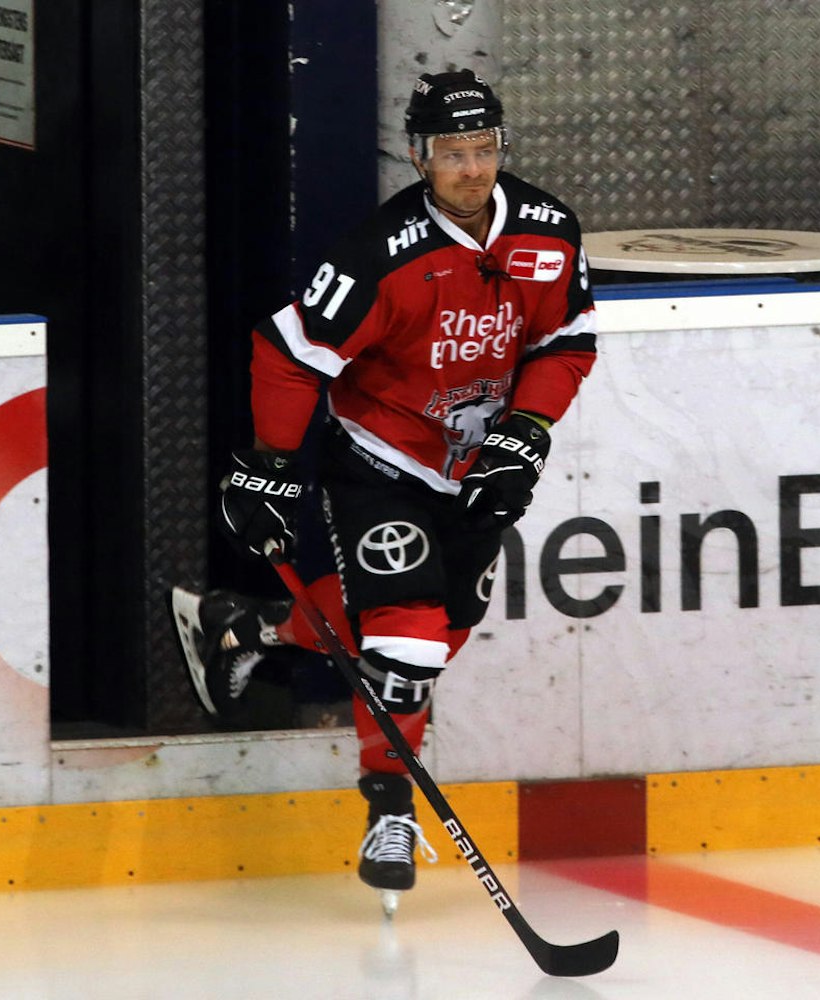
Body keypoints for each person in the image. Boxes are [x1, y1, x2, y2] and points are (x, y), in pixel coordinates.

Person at [172, 69, 597, 902]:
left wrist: (526, 433)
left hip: (477, 467)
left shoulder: (550, 233)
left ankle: (252, 625)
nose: (471, 169)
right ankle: (388, 810)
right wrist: (267, 464)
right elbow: (289, 352)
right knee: (404, 646)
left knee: (443, 632)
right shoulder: (380, 254)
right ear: (416, 157)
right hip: (380, 460)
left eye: (484, 149)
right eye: (451, 153)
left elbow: (566, 342)